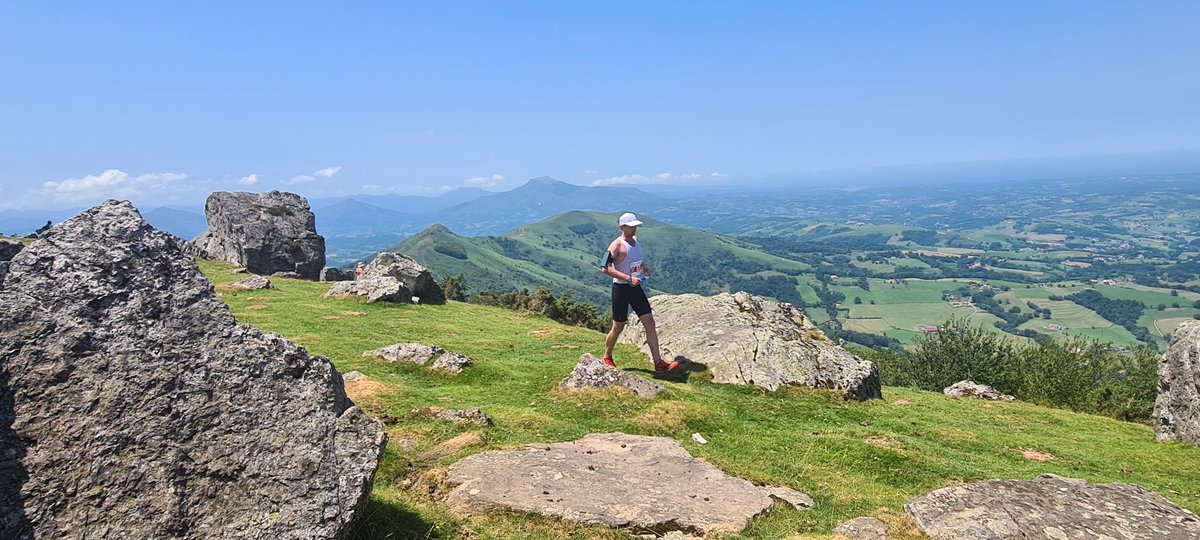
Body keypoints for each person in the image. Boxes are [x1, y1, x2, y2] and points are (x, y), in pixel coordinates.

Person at [599, 212, 680, 371]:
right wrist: (628, 278)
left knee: (649, 322)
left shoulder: (635, 242)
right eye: (630, 227)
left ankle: (658, 363)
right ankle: (607, 356)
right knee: (618, 327)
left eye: (635, 226)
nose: (634, 229)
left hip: (635, 288)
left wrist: (643, 266)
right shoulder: (616, 245)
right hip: (621, 289)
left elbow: (633, 259)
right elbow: (604, 268)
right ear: (622, 227)